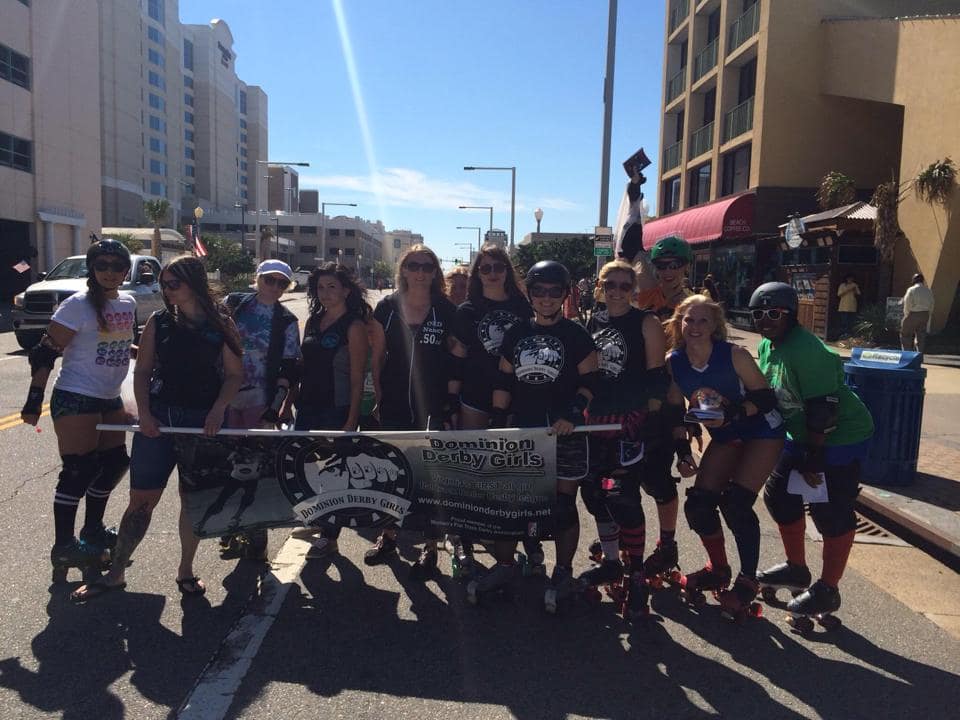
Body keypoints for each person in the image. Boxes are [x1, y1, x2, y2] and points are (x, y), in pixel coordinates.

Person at [70, 255, 244, 602]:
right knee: (141, 500)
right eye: (164, 285)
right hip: (160, 419)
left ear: (194, 283)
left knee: (192, 499)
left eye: (173, 284)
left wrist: (218, 410)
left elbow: (235, 374)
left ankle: (186, 571)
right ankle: (116, 573)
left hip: (202, 422)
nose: (167, 290)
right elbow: (143, 371)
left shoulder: (221, 322)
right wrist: (145, 414)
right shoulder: (159, 322)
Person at [751, 282, 874, 625]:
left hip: (840, 435)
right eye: (758, 314)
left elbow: (824, 408)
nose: (765, 320)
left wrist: (814, 456)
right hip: (803, 434)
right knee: (780, 497)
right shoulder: (767, 346)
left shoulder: (807, 350)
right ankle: (796, 568)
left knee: (831, 511)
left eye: (774, 313)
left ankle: (828, 588)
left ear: (790, 315)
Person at [484, 261, 599, 611]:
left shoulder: (577, 334)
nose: (546, 298)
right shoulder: (517, 333)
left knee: (563, 507)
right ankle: (507, 565)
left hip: (565, 431)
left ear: (565, 294)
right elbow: (503, 380)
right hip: (525, 431)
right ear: (530, 294)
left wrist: (574, 412)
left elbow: (590, 381)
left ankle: (562, 571)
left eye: (554, 292)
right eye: (539, 291)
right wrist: (499, 421)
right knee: (513, 502)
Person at [21, 239, 135, 582]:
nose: (110, 272)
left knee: (115, 463)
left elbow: (118, 342)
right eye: (102, 265)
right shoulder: (76, 306)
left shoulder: (127, 303)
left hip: (109, 396)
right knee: (79, 470)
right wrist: (34, 399)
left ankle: (93, 530)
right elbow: (45, 352)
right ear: (92, 268)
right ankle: (64, 546)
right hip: (76, 396)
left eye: (117, 266)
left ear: (126, 271)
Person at [665, 294, 785, 619]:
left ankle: (748, 579)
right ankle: (718, 569)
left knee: (736, 503)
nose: (695, 326)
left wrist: (731, 414)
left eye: (703, 320)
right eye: (689, 319)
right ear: (679, 323)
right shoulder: (674, 361)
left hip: (761, 431)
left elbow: (766, 399)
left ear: (715, 325)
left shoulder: (734, 355)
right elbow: (676, 409)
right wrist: (682, 451)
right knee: (699, 504)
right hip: (726, 435)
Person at [578, 259, 676, 620]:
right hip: (595, 420)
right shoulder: (594, 321)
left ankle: (636, 573)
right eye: (611, 285)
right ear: (600, 288)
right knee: (593, 493)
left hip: (630, 421)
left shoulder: (645, 321)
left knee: (623, 497)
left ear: (633, 290)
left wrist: (647, 420)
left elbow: (657, 376)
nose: (617, 292)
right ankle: (611, 560)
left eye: (625, 286)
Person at [365, 244, 460, 576]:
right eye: (414, 265)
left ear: (435, 272)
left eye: (427, 266)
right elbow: (377, 356)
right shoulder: (387, 307)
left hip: (432, 404)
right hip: (394, 400)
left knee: (429, 477)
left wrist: (451, 402)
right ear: (403, 270)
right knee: (391, 471)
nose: (420, 272)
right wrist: (376, 394)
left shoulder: (446, 310)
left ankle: (430, 547)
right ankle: (388, 535)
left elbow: (456, 359)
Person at [450, 244, 534, 572]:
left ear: (507, 271)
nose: (493, 273)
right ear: (478, 274)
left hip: (516, 396)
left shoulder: (522, 306)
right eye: (485, 268)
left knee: (509, 470)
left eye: (498, 267)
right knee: (471, 469)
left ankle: (513, 535)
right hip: (475, 395)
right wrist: (450, 402)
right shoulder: (467, 310)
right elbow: (457, 360)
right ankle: (464, 537)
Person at [218, 260, 300, 560]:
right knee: (227, 466)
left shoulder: (286, 319)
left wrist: (275, 407)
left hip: (259, 400)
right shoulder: (234, 304)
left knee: (255, 468)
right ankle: (229, 530)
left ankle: (256, 538)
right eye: (269, 280)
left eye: (282, 283)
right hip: (224, 398)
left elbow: (289, 367)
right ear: (258, 278)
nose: (275, 287)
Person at [632, 234, 697, 580]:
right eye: (662, 265)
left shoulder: (694, 305)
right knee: (631, 474)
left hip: (670, 395)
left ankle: (667, 544)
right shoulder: (646, 297)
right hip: (639, 394)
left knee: (659, 478)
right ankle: (628, 539)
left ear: (685, 267)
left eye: (675, 265)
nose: (668, 271)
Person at [295, 262, 370, 558]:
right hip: (308, 404)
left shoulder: (354, 326)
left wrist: (351, 419)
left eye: (332, 287)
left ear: (346, 291)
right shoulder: (314, 321)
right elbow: (302, 366)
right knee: (305, 466)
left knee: (332, 471)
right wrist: (288, 402)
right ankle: (318, 519)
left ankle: (329, 535)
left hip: (336, 408)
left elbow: (357, 377)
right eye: (320, 288)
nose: (325, 293)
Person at [901, 273, 934, 353]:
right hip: (925, 314)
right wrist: (928, 314)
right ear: (923, 280)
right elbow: (932, 303)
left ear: (914, 280)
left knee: (906, 335)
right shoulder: (928, 291)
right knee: (921, 337)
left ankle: (907, 354)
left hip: (913, 313)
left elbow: (907, 303)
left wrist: (907, 315)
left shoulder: (911, 290)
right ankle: (919, 354)